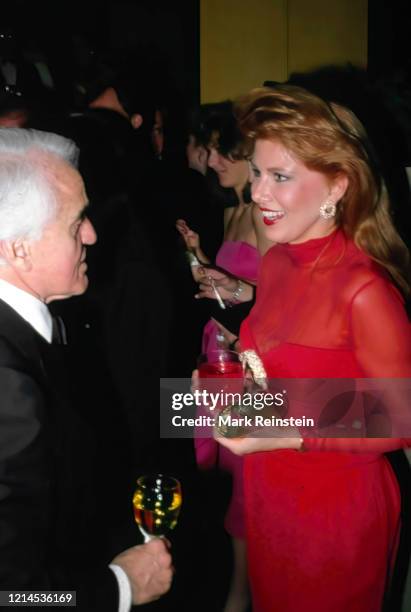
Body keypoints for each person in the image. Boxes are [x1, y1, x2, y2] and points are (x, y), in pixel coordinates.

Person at [203, 84, 411, 612]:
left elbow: (400, 416)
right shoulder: (276, 263)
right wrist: (225, 397)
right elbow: (276, 380)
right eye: (256, 172)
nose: (258, 194)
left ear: (337, 186)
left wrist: (283, 431)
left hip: (336, 513)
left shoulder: (365, 290)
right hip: (271, 497)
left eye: (280, 177)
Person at [0, 128, 172, 611]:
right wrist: (119, 586)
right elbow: (12, 592)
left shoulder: (35, 319)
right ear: (19, 249)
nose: (93, 234)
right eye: (76, 222)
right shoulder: (7, 384)